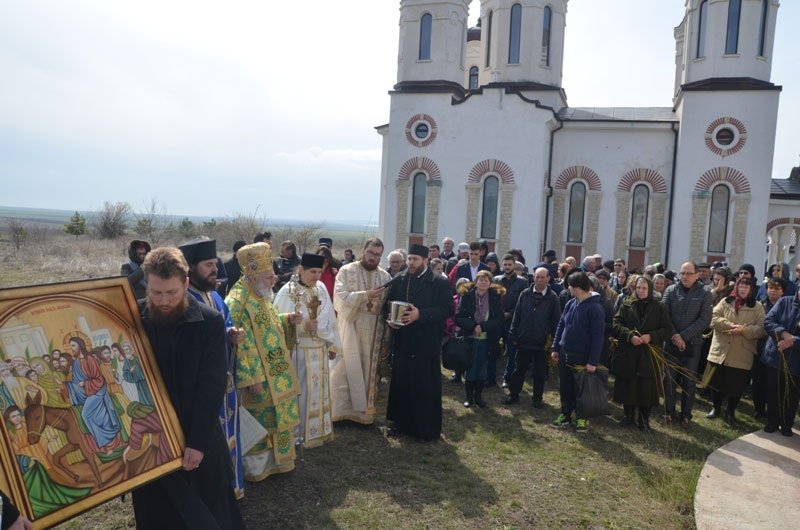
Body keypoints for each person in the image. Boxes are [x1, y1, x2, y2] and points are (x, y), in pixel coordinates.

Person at [134, 246, 245, 530]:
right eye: (156, 293)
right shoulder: (134, 317)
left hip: (196, 436)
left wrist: (196, 443)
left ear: (185, 284)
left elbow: (212, 386)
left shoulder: (209, 321)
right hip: (150, 440)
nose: (163, 301)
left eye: (171, 292)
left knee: (206, 516)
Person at [225, 242, 302, 481]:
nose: (274, 280)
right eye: (269, 277)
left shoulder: (261, 295)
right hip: (260, 378)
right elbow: (242, 345)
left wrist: (287, 319)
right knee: (262, 419)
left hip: (277, 371)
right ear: (253, 276)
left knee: (279, 418)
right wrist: (252, 379)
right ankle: (258, 468)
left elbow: (269, 323)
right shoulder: (237, 302)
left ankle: (280, 461)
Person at [179, 238, 245, 499]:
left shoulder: (215, 295)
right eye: (208, 265)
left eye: (215, 264)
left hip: (225, 382)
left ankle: (231, 488)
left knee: (230, 434)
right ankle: (214, 493)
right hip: (203, 387)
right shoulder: (185, 301)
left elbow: (225, 322)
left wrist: (231, 333)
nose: (215, 269)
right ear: (190, 268)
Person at [273, 253, 341, 448]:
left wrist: (332, 344)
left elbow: (329, 317)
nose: (317, 276)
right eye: (313, 272)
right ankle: (299, 433)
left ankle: (318, 430)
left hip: (319, 349)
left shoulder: (321, 288)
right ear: (301, 270)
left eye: (320, 272)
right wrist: (302, 326)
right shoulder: (287, 291)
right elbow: (277, 322)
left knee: (319, 391)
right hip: (299, 351)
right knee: (301, 392)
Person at [385, 244, 451, 442]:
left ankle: (424, 430)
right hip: (403, 340)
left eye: (415, 259)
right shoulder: (401, 279)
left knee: (424, 387)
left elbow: (446, 309)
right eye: (410, 259)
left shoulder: (439, 282)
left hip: (425, 342)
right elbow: (389, 304)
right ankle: (401, 424)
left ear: (425, 261)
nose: (411, 263)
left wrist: (420, 314)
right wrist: (391, 320)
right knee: (402, 383)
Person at [330, 238, 391, 424]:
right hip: (350, 326)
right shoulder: (346, 270)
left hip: (374, 330)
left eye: (377, 255)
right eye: (370, 252)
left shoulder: (385, 277)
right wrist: (365, 295)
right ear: (364, 250)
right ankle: (340, 411)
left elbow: (387, 308)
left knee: (367, 371)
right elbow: (340, 297)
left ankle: (363, 414)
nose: (373, 257)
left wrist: (387, 337)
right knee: (344, 368)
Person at [701, 277, 766, 427]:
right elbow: (713, 318)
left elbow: (762, 329)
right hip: (721, 350)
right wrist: (730, 325)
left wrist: (744, 330)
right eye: (741, 286)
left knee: (735, 385)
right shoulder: (725, 301)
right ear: (736, 287)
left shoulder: (757, 307)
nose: (743, 290)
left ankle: (730, 412)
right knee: (717, 382)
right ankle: (716, 408)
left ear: (751, 289)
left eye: (746, 287)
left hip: (741, 352)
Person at [612, 276, 672, 431]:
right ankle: (628, 416)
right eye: (638, 288)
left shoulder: (659, 307)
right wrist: (629, 336)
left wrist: (651, 336)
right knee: (629, 385)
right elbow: (616, 324)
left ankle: (644, 420)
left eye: (644, 288)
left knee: (646, 388)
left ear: (650, 289)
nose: (641, 291)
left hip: (648, 355)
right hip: (629, 352)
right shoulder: (627, 304)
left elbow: (667, 329)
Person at [550, 272, 605, 432]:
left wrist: (592, 361)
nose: (568, 288)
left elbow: (598, 337)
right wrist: (556, 347)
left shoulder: (595, 308)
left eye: (570, 286)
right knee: (565, 387)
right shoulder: (571, 303)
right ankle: (565, 414)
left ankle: (581, 417)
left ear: (578, 288)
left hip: (582, 357)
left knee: (581, 389)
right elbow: (561, 325)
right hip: (565, 353)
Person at [661, 261, 713, 427]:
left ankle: (685, 416)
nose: (684, 276)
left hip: (692, 344)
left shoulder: (705, 293)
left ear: (697, 275)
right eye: (682, 273)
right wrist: (674, 336)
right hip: (671, 343)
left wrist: (683, 336)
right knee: (669, 380)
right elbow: (664, 315)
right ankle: (668, 413)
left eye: (688, 273)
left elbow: (704, 320)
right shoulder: (670, 290)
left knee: (689, 382)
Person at [502, 267, 561, 408]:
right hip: (523, 340)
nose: (539, 280)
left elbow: (556, 322)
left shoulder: (553, 298)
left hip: (541, 343)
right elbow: (517, 315)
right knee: (519, 370)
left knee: (539, 373)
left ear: (548, 279)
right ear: (533, 278)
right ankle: (513, 395)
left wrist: (555, 343)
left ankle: (537, 399)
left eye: (542, 277)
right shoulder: (525, 294)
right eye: (537, 277)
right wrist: (513, 333)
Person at [455, 270, 505, 408]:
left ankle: (478, 396)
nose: (483, 282)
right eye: (480, 280)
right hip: (470, 338)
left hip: (487, 339)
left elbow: (499, 319)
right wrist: (473, 326)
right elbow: (459, 317)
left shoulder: (494, 298)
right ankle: (469, 397)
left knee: (482, 369)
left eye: (486, 280)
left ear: (490, 283)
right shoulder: (467, 296)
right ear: (476, 282)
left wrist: (482, 326)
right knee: (470, 368)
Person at [761, 281, 800, 436]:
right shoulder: (784, 302)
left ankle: (786, 424)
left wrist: (794, 341)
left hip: (797, 362)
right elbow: (768, 321)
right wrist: (783, 334)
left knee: (792, 396)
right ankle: (772, 421)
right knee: (773, 391)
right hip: (775, 357)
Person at [753, 277, 787, 418]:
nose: (773, 291)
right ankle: (759, 409)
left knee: (774, 384)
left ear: (783, 291)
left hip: (777, 350)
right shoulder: (759, 304)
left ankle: (774, 411)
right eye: (770, 288)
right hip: (759, 347)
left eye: (777, 288)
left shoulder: (786, 306)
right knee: (758, 380)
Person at [494, 255, 529, 388]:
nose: (507, 267)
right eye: (505, 264)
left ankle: (508, 378)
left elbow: (524, 302)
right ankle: (490, 377)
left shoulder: (522, 282)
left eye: (510, 264)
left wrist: (511, 313)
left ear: (514, 265)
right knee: (492, 349)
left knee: (511, 351)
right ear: (502, 265)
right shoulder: (496, 280)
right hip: (497, 320)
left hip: (513, 321)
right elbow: (492, 299)